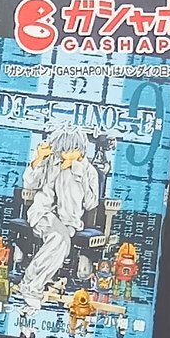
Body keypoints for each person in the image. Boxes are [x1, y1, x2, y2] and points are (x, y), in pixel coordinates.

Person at [17, 126, 100, 309]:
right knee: (59, 239)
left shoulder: (88, 170)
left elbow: (91, 203)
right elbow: (30, 183)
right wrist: (39, 159)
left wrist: (78, 174)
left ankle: (30, 282)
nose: (68, 154)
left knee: (61, 239)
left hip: (69, 222)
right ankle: (32, 287)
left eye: (73, 149)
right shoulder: (50, 162)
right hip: (43, 213)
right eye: (64, 150)